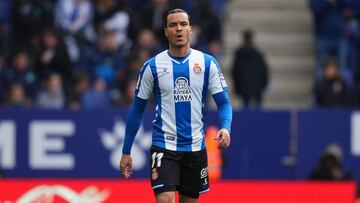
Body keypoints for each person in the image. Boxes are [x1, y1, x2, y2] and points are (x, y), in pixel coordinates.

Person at [119, 8, 232, 203]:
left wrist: (226, 128)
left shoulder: (207, 63)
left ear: (190, 29)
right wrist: (126, 150)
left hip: (196, 148)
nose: (178, 29)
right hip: (164, 146)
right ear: (166, 32)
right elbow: (137, 109)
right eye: (173, 25)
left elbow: (223, 103)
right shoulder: (152, 66)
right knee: (166, 200)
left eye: (183, 24)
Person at [231, 29, 269, 109]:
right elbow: (264, 70)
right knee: (258, 110)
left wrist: (236, 85)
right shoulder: (258, 54)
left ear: (243, 38)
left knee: (245, 108)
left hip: (243, 86)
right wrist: (264, 83)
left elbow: (234, 71)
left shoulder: (239, 54)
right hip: (257, 86)